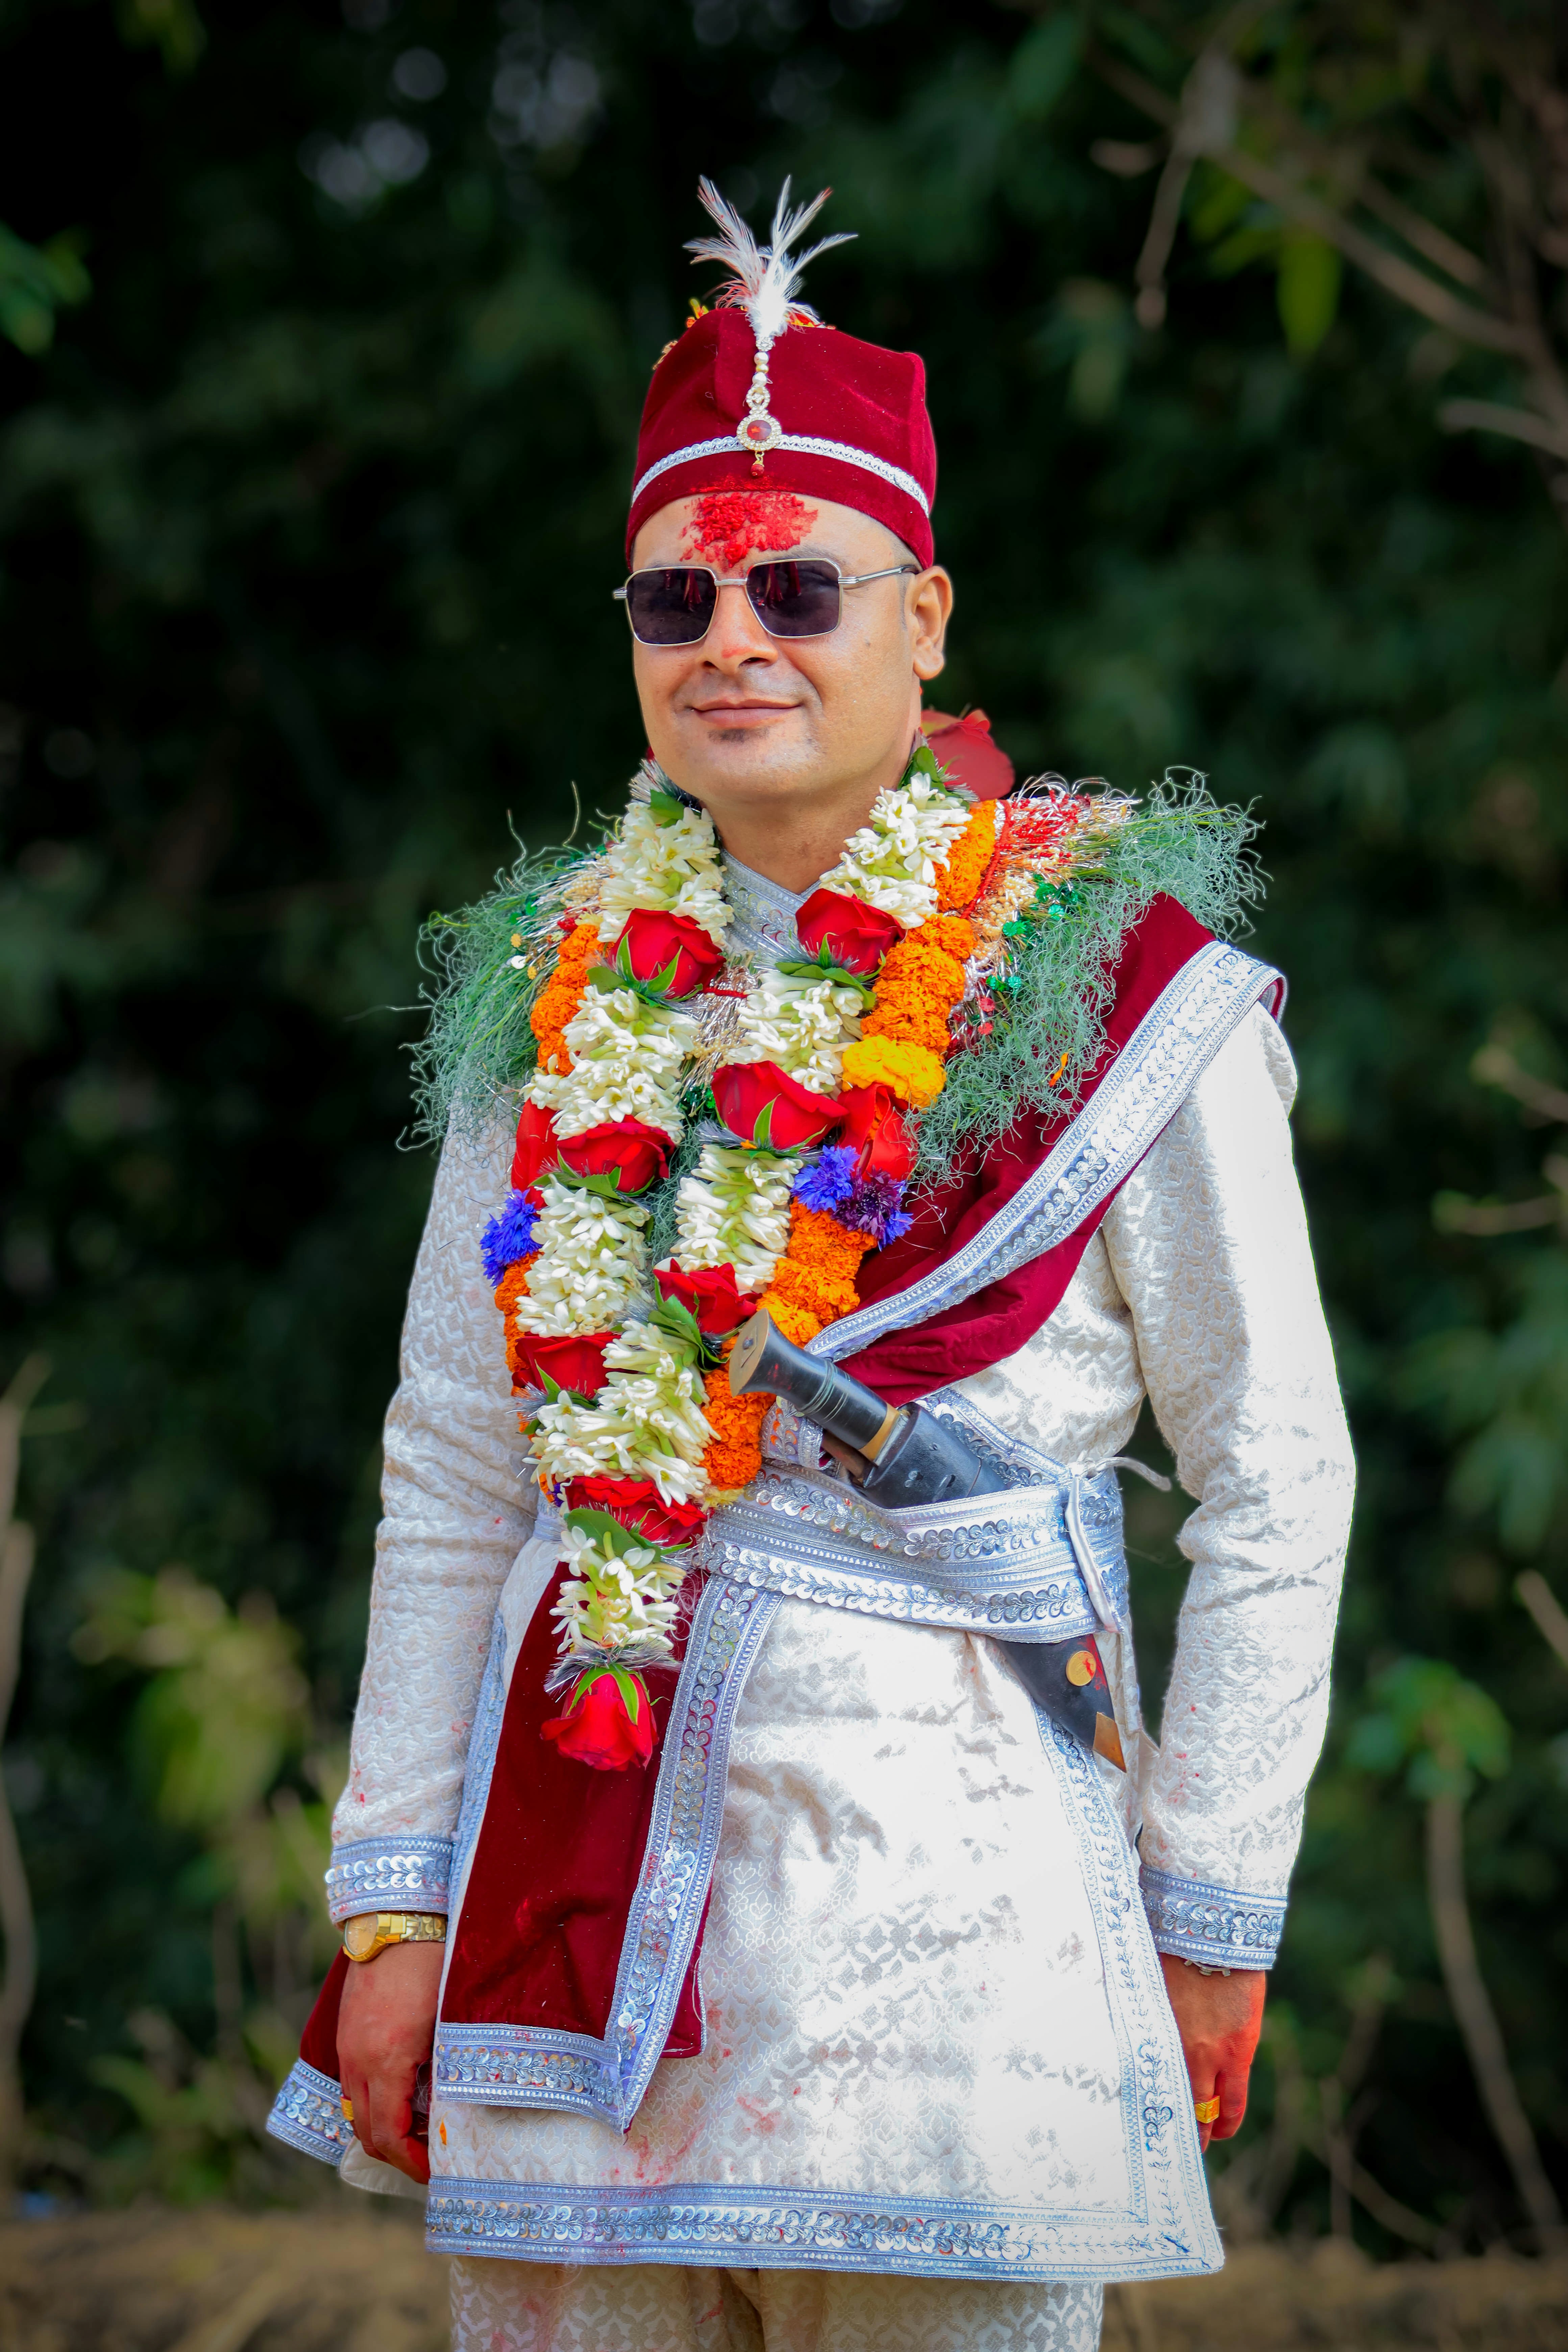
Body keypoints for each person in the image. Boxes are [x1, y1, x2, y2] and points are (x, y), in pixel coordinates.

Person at [268, 181, 1354, 2352]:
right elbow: (461, 1464)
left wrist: (1215, 1903)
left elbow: (1276, 1475)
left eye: (796, 584)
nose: (732, 639)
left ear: (929, 615)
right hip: (569, 1920)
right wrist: (388, 1901)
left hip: (962, 1945)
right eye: (676, 594)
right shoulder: (556, 984)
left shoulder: (1120, 988)